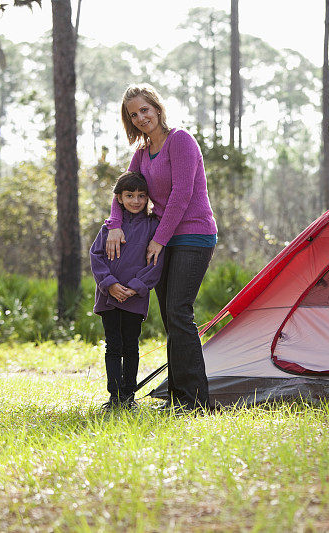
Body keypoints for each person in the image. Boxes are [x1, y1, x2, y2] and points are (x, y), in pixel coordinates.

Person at [105, 83, 217, 411]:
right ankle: (178, 396)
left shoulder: (180, 141)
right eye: (133, 114)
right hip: (164, 239)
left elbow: (182, 194)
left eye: (145, 110)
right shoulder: (141, 153)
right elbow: (122, 192)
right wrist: (114, 226)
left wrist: (158, 239)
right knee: (170, 316)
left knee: (179, 310)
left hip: (194, 235)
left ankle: (195, 400)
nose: (141, 117)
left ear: (157, 108)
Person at [90, 171, 163, 410]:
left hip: (134, 298)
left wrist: (135, 288)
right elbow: (96, 256)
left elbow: (156, 264)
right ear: (119, 198)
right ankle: (114, 397)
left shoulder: (154, 227)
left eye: (141, 196)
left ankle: (128, 397)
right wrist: (109, 284)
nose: (136, 200)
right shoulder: (109, 228)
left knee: (131, 346)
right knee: (113, 346)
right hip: (109, 297)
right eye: (129, 195)